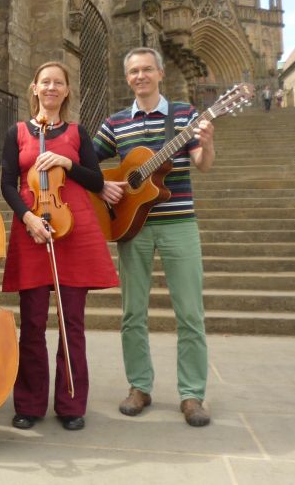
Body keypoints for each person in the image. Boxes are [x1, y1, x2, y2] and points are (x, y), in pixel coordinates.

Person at [93, 47, 216, 427]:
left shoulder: (185, 115)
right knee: (132, 312)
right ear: (127, 77)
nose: (140, 76)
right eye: (134, 71)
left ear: (160, 74)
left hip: (179, 223)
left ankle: (193, 394)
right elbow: (86, 162)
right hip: (133, 226)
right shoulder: (115, 123)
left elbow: (203, 164)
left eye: (147, 69)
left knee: (190, 312)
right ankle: (139, 386)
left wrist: (207, 142)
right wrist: (102, 189)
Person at [0, 62, 118, 432]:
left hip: (73, 228)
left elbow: (95, 180)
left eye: (59, 83)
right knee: (32, 322)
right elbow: (6, 184)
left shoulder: (78, 132)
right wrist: (28, 218)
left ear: (67, 91)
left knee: (73, 323)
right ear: (34, 88)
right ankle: (30, 404)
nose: (51, 88)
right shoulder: (17, 132)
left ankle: (71, 404)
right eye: (45, 82)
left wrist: (67, 161)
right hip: (32, 229)